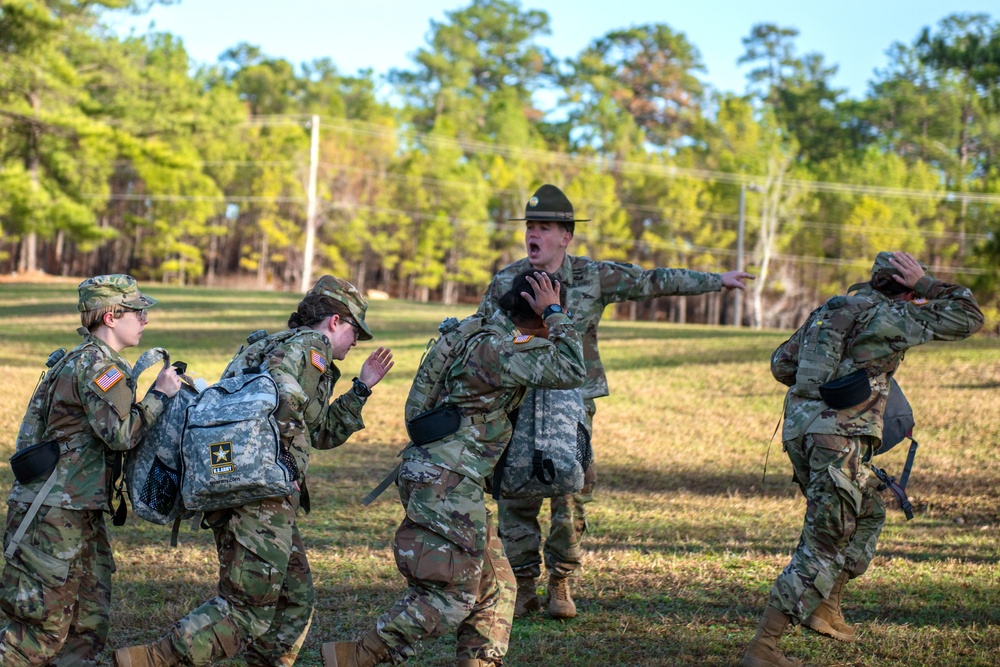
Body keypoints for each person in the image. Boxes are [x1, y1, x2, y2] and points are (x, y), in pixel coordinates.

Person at [477, 183, 755, 618]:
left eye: (545, 227)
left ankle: (562, 582)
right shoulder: (507, 281)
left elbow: (651, 282)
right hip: (520, 400)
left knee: (571, 491)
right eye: (531, 226)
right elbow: (480, 336)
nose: (534, 235)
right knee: (514, 490)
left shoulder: (592, 276)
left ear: (566, 236)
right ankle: (524, 584)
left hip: (574, 403)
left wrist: (716, 281)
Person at [114, 275, 394, 667]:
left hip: (229, 480)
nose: (354, 342)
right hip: (260, 494)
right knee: (247, 609)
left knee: (293, 598)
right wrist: (290, 457)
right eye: (354, 331)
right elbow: (301, 411)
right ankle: (152, 659)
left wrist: (362, 387)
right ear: (334, 321)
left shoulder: (263, 344)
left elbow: (310, 425)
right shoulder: (312, 347)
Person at [320, 270, 586, 667]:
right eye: (549, 311)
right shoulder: (502, 350)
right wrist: (554, 311)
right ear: (535, 311)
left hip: (443, 476)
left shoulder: (481, 332)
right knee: (450, 596)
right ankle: (356, 656)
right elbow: (572, 368)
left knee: (496, 586)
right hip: (446, 483)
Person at [742, 251, 984, 667]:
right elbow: (968, 316)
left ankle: (825, 607)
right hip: (839, 439)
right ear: (906, 290)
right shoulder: (889, 317)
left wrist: (832, 369)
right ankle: (764, 648)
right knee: (824, 540)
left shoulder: (831, 310)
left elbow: (782, 364)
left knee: (868, 510)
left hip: (801, 432)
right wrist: (927, 283)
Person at [0, 274, 182, 666]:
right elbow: (120, 434)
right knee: (38, 634)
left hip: (78, 509)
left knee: (86, 624)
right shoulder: (99, 366)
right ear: (112, 317)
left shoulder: (85, 360)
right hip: (55, 514)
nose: (145, 319)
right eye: (138, 311)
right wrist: (160, 394)